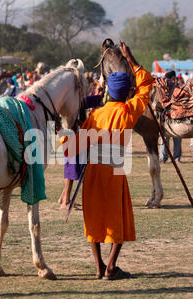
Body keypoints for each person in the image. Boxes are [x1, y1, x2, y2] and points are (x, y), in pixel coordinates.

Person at [63, 42, 154, 280]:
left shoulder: (96, 115)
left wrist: (65, 136)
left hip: (93, 172)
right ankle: (111, 267)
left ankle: (98, 266)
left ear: (108, 92)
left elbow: (74, 147)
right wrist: (131, 58)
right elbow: (147, 85)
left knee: (93, 218)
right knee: (118, 219)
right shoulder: (128, 110)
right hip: (114, 171)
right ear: (125, 93)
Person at [159, 70, 182, 163]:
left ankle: (173, 158)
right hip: (168, 117)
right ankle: (167, 158)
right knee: (166, 139)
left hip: (174, 116)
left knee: (174, 139)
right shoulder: (164, 88)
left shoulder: (176, 88)